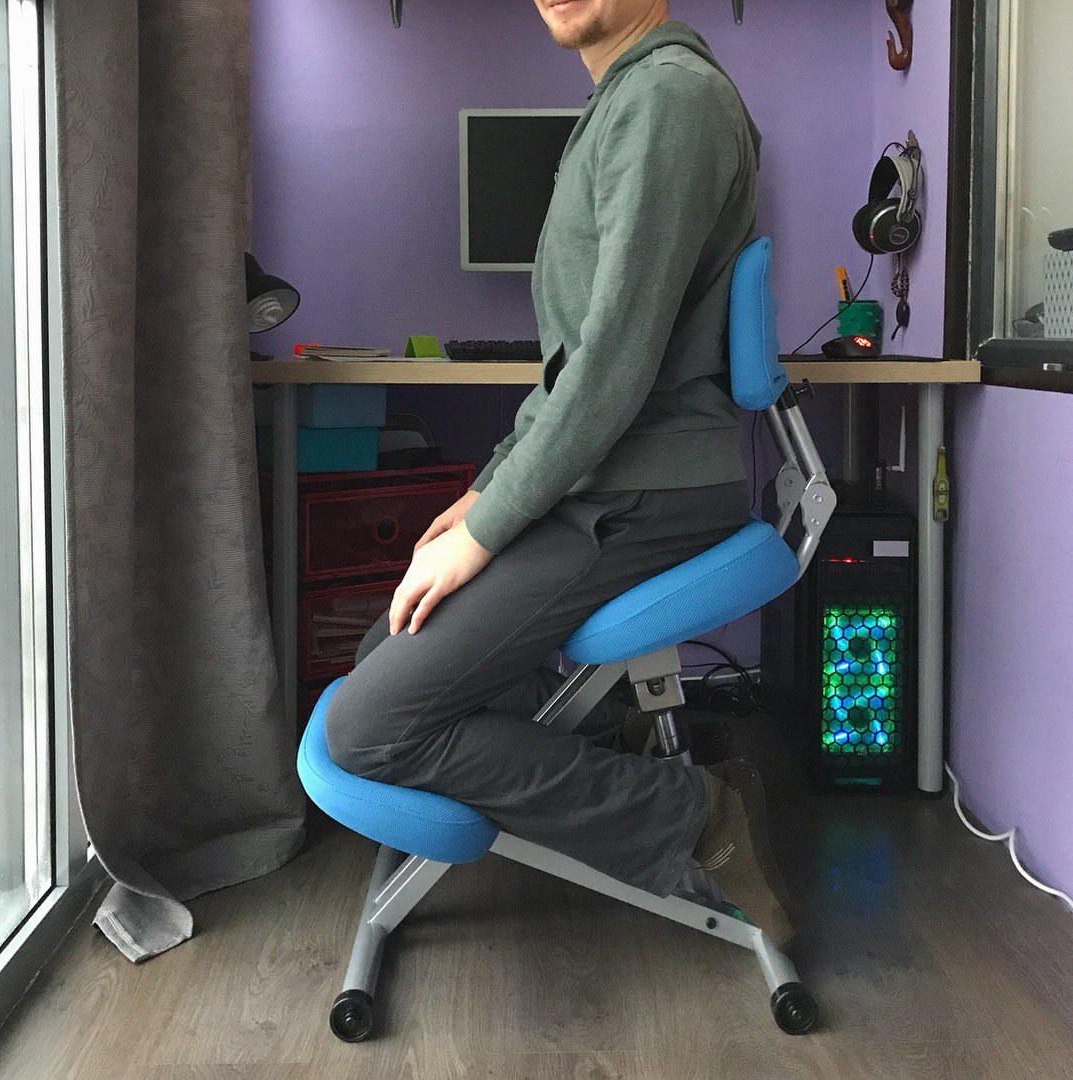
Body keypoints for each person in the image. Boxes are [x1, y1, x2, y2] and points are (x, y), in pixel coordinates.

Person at [326, 0, 793, 944]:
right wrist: (486, 490)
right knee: (387, 656)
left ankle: (696, 816)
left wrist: (488, 529)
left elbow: (612, 369)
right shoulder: (623, 98)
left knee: (368, 727)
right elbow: (571, 371)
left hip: (642, 491)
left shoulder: (668, 100)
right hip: (607, 479)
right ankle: (617, 751)